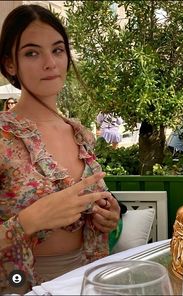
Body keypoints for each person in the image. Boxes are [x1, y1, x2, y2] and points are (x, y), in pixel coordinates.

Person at [0, 4, 121, 293]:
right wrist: (29, 221)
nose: (50, 63)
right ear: (10, 64)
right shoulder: (3, 137)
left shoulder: (80, 134)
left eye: (57, 50)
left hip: (89, 279)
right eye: (32, 52)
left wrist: (109, 215)